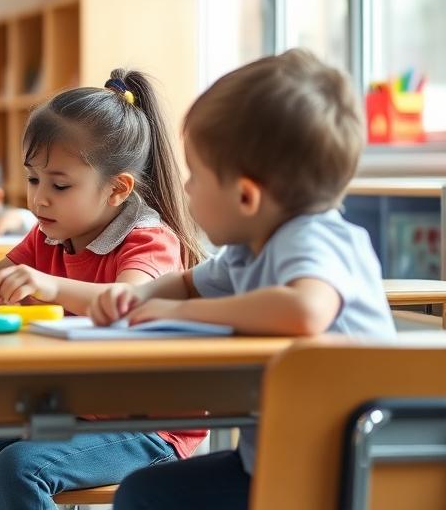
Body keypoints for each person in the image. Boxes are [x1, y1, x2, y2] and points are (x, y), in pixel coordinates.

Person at [100, 50, 396, 510]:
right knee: (145, 492)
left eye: (196, 177)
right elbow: (184, 284)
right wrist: (132, 297)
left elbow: (305, 311)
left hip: (351, 478)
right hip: (282, 466)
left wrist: (179, 313)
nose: (187, 190)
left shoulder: (317, 237)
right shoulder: (248, 250)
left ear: (245, 196)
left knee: (149, 496)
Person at [0, 70, 205, 510]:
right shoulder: (50, 233)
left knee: (21, 466)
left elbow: (127, 303)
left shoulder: (148, 240)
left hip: (151, 425)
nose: (38, 199)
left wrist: (51, 285)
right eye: (34, 179)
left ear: (117, 189)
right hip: (80, 411)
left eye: (59, 185)